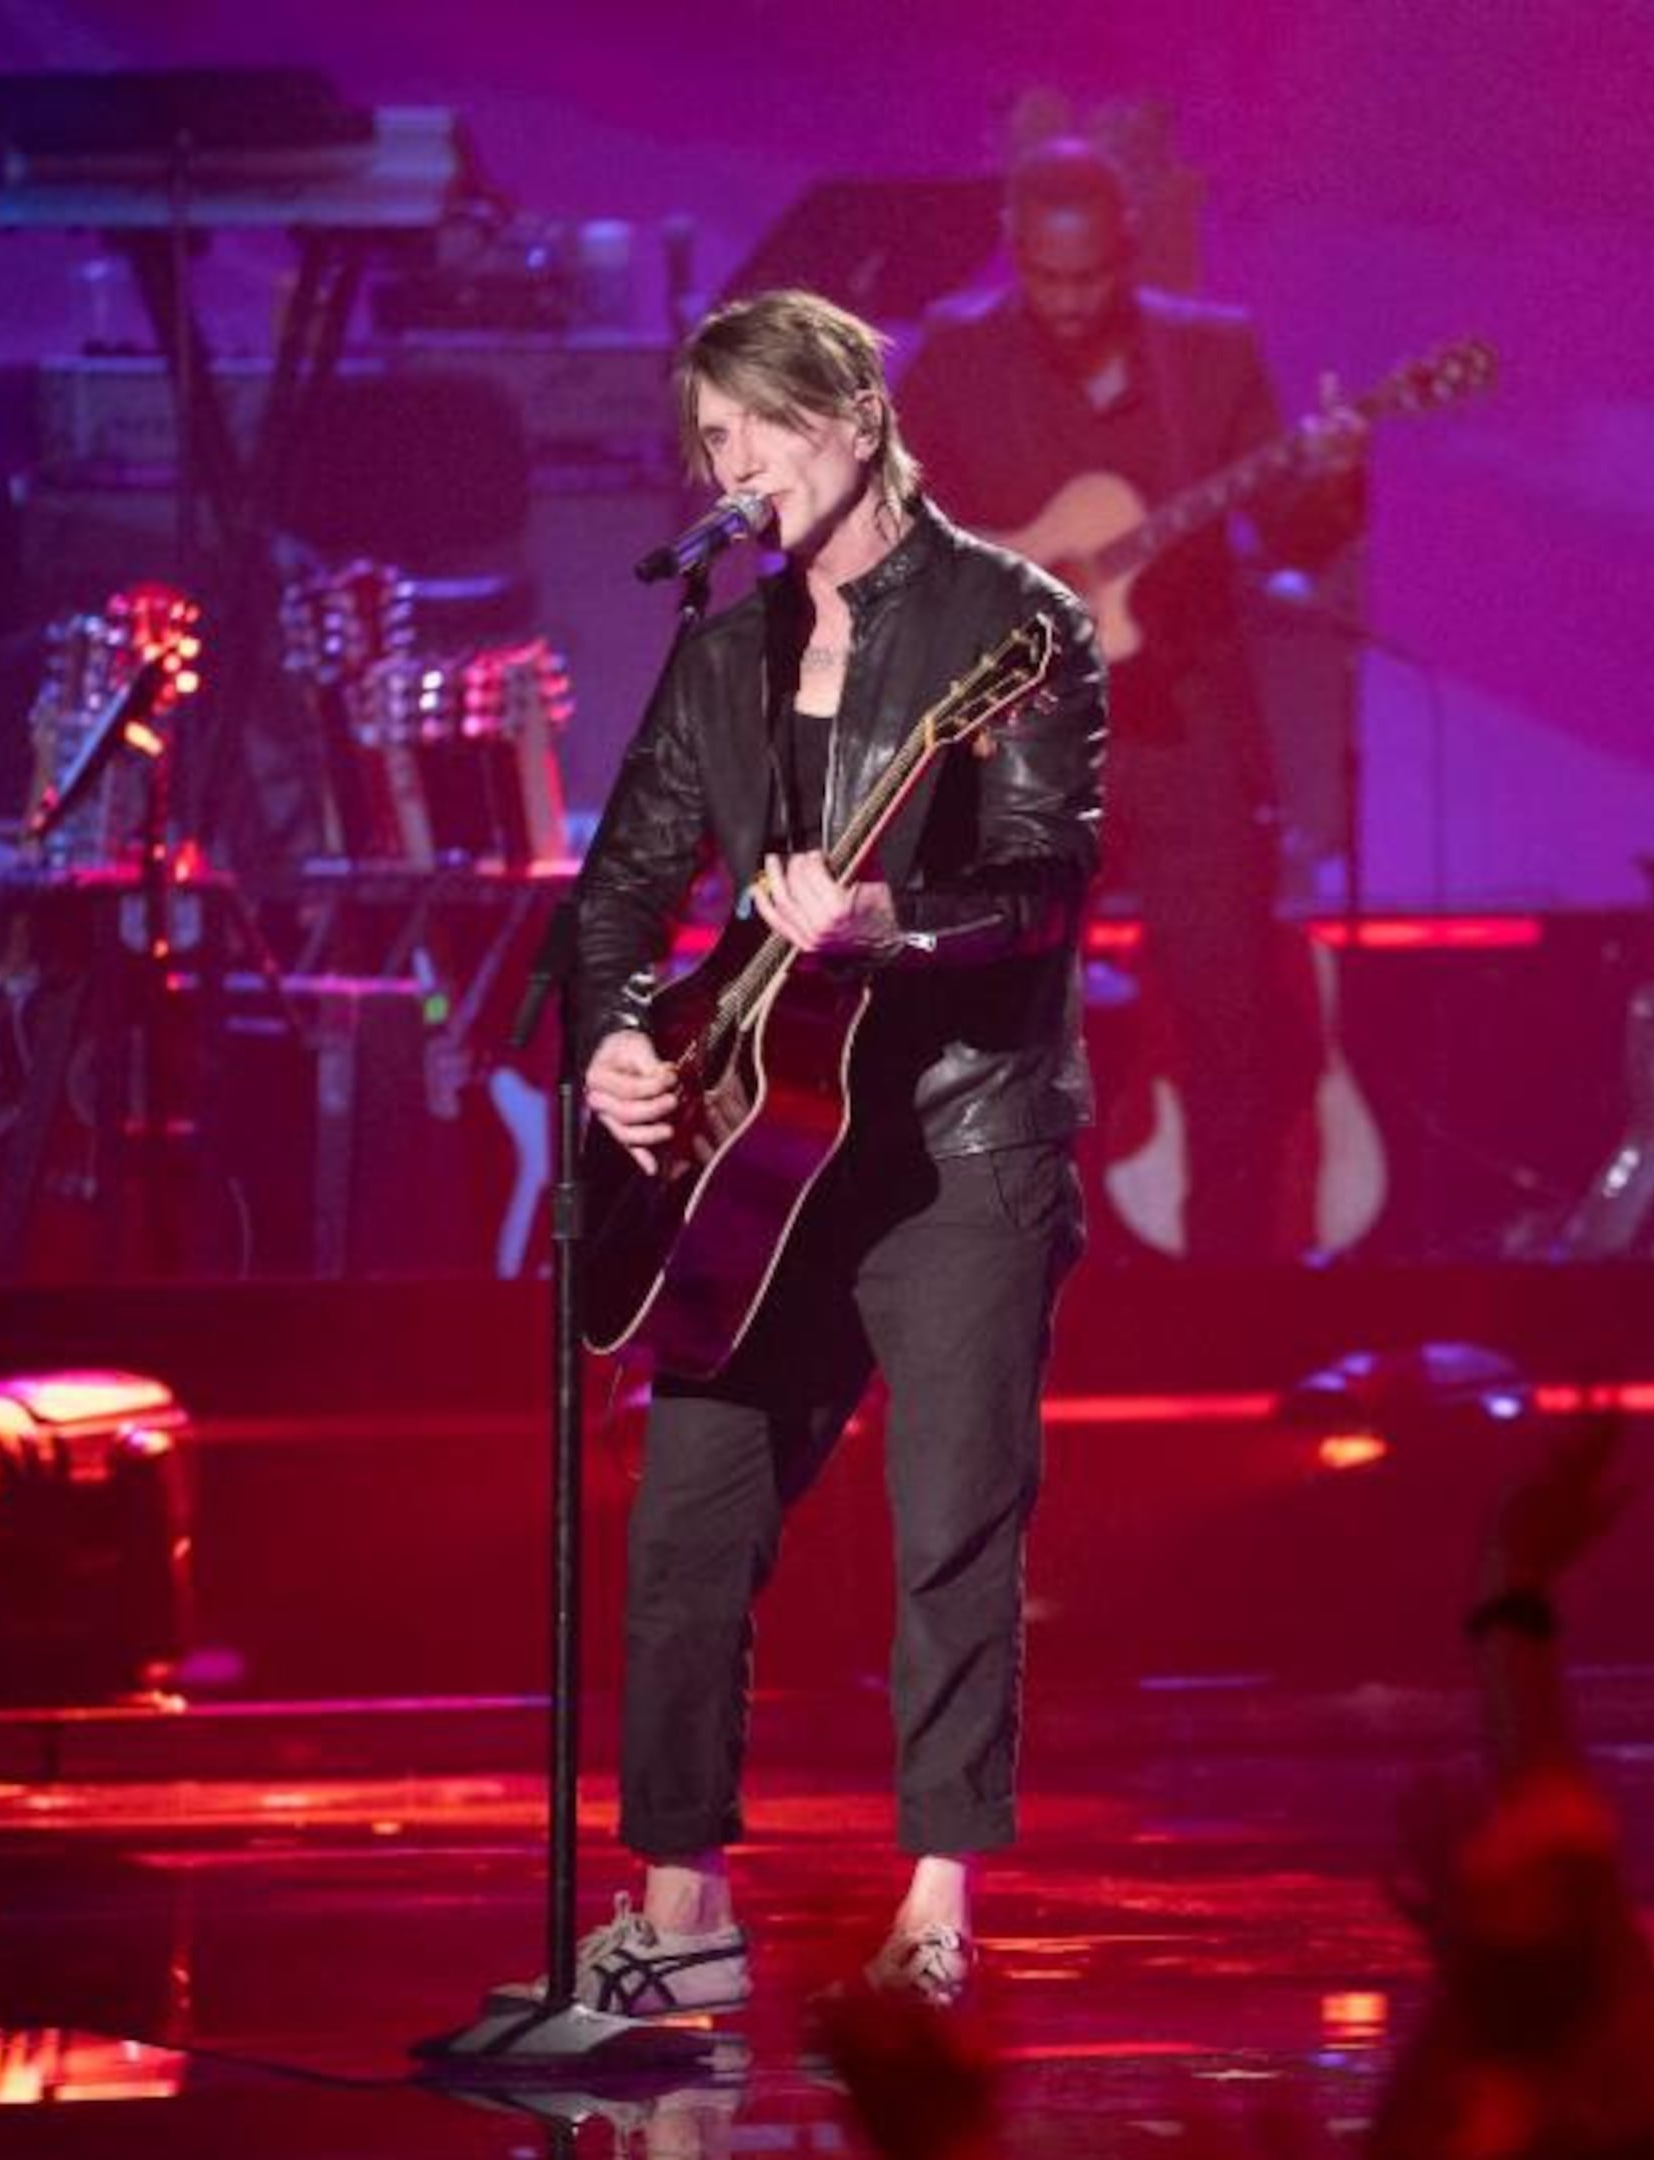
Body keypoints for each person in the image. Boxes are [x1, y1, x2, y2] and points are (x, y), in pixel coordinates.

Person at [560, 287, 1107, 2014]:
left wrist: (890, 920)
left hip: (958, 1145)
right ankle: (682, 1904)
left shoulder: (1015, 625)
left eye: (759, 435)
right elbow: (618, 895)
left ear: (855, 420)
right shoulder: (722, 651)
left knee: (950, 1527)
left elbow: (1044, 886)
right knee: (685, 1523)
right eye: (709, 445)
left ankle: (937, 1905)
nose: (732, 472)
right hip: (754, 1150)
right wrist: (618, 1049)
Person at [894, 136, 1365, 1263]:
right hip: (1018, 744)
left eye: (1091, 279)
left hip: (1186, 729)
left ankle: (1224, 1305)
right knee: (1001, 1033)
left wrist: (1336, 476)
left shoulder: (1207, 356)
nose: (1068, 303)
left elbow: (1289, 527)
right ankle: (1000, 1292)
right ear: (1015, 253)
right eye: (1047, 278)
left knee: (1229, 1029)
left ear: (1129, 255)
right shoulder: (953, 360)